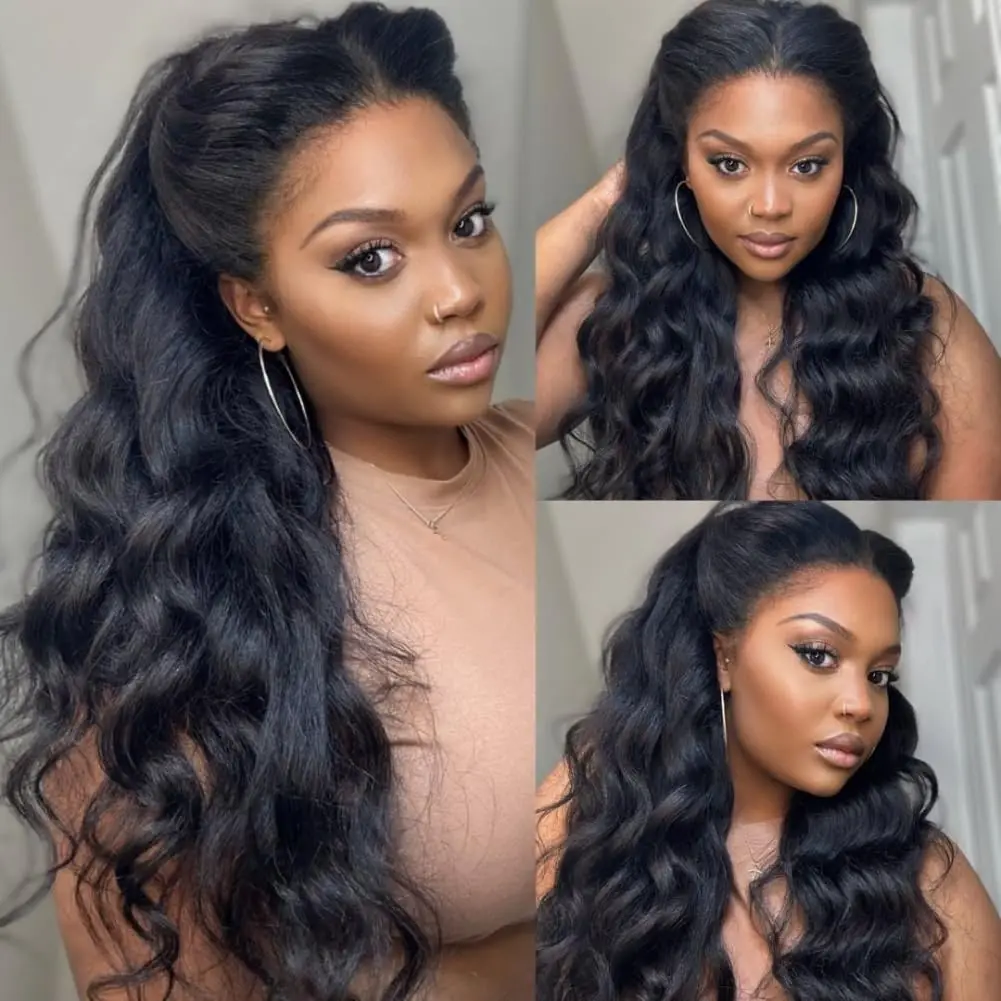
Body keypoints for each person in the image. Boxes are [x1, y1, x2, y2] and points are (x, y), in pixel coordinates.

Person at [0, 6, 534, 1000]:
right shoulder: (189, 608)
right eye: (369, 257)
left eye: (468, 222)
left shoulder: (542, 449)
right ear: (257, 305)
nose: (458, 291)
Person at [535, 0, 1001, 500]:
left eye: (807, 165)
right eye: (729, 163)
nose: (771, 206)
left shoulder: (927, 328)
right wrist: (606, 200)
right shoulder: (621, 315)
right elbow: (480, 420)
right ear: (681, 160)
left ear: (847, 160)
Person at [536, 502, 1001, 1001]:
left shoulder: (928, 879)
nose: (862, 704)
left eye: (879, 675)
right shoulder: (594, 834)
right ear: (723, 657)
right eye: (818, 655)